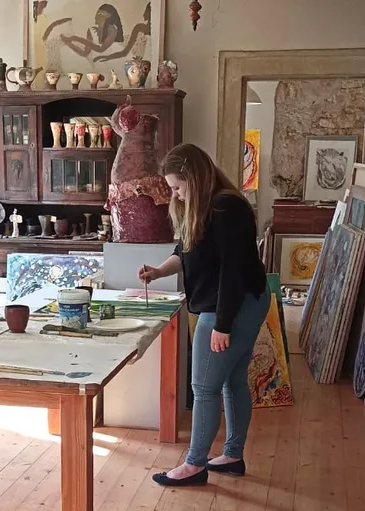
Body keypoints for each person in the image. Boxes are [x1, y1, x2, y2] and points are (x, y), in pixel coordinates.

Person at [138, 143, 269, 486]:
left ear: (194, 177)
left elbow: (232, 271)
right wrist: (158, 272)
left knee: (204, 387)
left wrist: (222, 325)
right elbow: (185, 251)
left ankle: (194, 465)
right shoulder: (201, 207)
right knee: (231, 381)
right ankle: (232, 456)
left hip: (234, 303)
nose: (175, 194)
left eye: (177, 187)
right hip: (235, 301)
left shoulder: (226, 208)